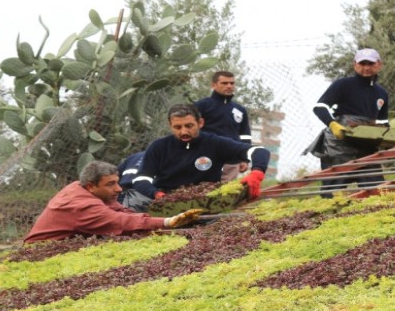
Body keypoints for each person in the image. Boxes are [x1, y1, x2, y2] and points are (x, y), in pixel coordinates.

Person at [24, 161, 201, 243]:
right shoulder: (81, 206)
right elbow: (120, 222)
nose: (119, 189)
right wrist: (167, 222)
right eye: (110, 184)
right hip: (43, 253)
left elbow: (122, 212)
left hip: (70, 244)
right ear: (92, 186)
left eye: (117, 182)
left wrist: (156, 226)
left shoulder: (82, 187)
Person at [132, 103, 270, 201]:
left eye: (189, 126)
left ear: (200, 123)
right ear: (170, 125)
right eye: (177, 127)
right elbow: (141, 179)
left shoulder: (215, 143)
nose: (184, 131)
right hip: (165, 200)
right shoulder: (159, 147)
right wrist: (157, 194)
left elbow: (259, 151)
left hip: (206, 201)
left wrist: (257, 173)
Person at [306, 48, 390, 197]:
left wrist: (388, 138)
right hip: (340, 144)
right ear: (355, 65)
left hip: (367, 145)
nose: (366, 67)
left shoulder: (382, 93)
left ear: (379, 65)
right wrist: (333, 124)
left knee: (376, 191)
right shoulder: (343, 84)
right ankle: (324, 217)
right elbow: (320, 107)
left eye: (370, 63)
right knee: (332, 191)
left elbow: (383, 122)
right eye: (362, 63)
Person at [194, 71, 252, 181]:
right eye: (224, 83)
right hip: (206, 159)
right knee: (202, 191)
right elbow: (191, 131)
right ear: (213, 85)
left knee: (225, 194)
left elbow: (245, 136)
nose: (229, 86)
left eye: (232, 83)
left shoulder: (240, 110)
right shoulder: (201, 106)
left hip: (231, 161)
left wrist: (244, 159)